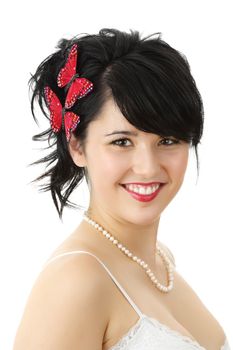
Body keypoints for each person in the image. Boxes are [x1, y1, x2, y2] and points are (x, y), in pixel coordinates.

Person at [13, 28, 230, 350]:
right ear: (78, 147)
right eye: (122, 142)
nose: (148, 167)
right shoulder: (76, 279)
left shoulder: (160, 262)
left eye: (168, 140)